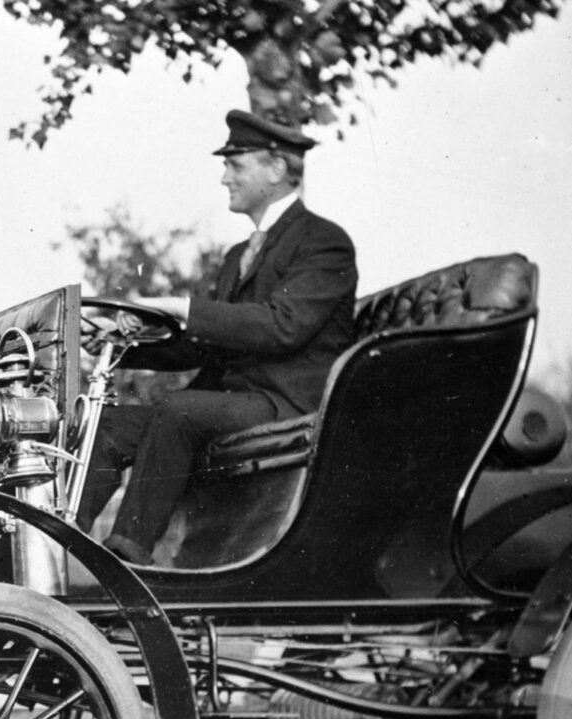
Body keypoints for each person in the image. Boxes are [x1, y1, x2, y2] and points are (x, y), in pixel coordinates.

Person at [75, 109, 359, 564]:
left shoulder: (324, 243)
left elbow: (282, 326)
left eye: (235, 165)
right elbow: (204, 344)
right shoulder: (238, 255)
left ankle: (126, 558)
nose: (225, 178)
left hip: (288, 405)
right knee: (109, 426)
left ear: (276, 168)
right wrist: (122, 343)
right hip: (233, 406)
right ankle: (61, 546)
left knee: (179, 410)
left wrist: (184, 308)